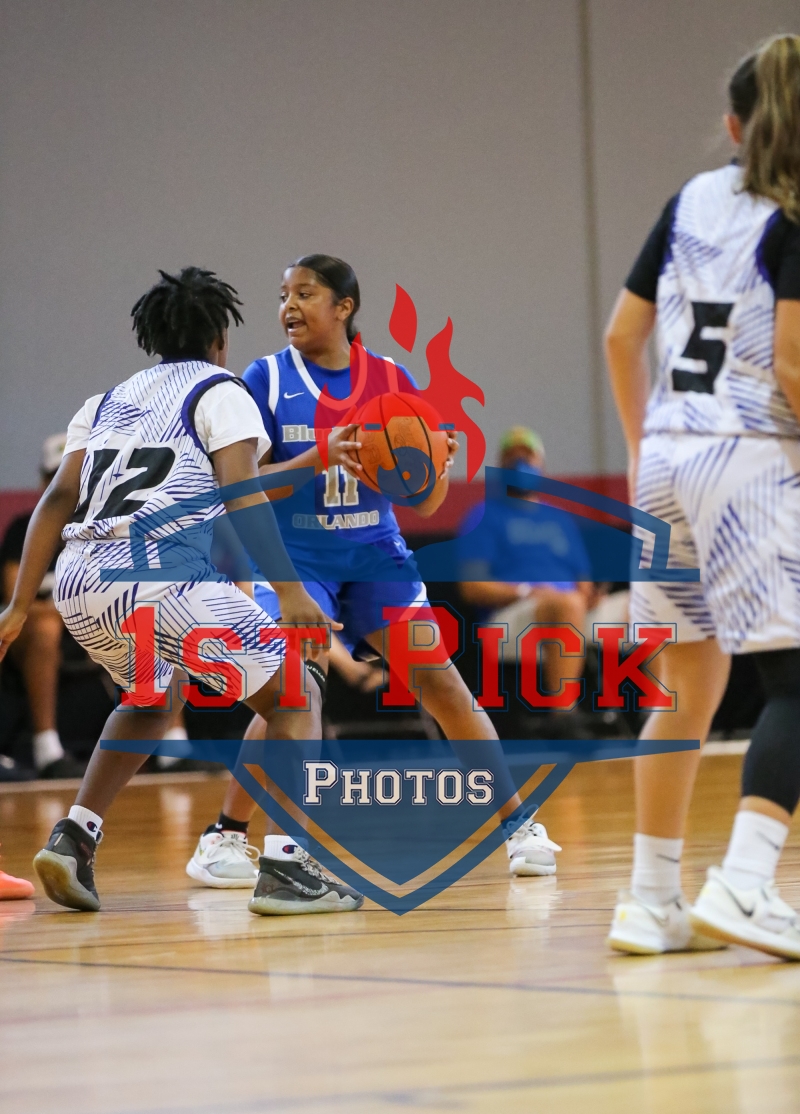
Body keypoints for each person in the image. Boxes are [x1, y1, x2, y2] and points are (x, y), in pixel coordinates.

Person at [186, 255, 561, 892]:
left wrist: (435, 465)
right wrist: (316, 457)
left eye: (305, 293)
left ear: (345, 306)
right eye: (284, 295)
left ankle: (519, 827)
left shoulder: (391, 379)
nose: (289, 306)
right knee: (292, 693)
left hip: (373, 554)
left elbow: (426, 504)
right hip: (296, 560)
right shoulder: (265, 379)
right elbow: (244, 486)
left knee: (444, 686)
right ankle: (226, 836)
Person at [0, 265, 361, 914]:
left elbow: (55, 500)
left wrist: (19, 605)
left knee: (152, 697)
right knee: (296, 693)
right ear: (220, 338)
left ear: (154, 338)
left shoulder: (104, 401)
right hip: (159, 577)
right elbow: (242, 494)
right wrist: (291, 592)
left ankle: (74, 838)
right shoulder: (222, 390)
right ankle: (288, 866)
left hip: (81, 582)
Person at [605, 35, 800, 958]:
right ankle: (748, 881)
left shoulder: (690, 199)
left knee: (686, 687)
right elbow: (792, 362)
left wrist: (644, 448)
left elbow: (621, 336)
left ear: (732, 126)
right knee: (795, 681)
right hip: (749, 458)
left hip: (667, 462)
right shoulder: (793, 211)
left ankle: (651, 901)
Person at [457, 426, 594, 736]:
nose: (520, 465)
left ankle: (659, 715)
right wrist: (527, 591)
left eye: (527, 457)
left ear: (541, 465)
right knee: (567, 605)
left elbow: (583, 578)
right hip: (510, 617)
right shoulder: (483, 516)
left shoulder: (560, 519)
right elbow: (472, 588)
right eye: (512, 458)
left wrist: (588, 595)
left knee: (642, 605)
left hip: (573, 607)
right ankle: (564, 718)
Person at [0, 434, 84, 778]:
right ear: (43, 481)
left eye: (74, 476)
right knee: (46, 627)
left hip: (91, 625)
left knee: (155, 618)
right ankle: (47, 750)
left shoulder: (101, 529)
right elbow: (14, 599)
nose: (65, 485)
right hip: (39, 629)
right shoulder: (23, 530)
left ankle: (170, 745)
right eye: (55, 477)